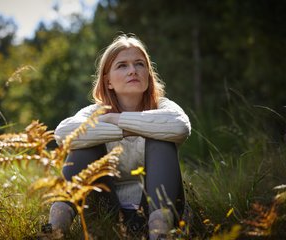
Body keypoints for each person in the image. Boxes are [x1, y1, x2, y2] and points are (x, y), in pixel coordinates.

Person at [46, 34, 191, 239]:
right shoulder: (95, 111)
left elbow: (180, 127)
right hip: (106, 214)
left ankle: (161, 233)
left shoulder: (163, 107)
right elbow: (63, 134)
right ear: (109, 81)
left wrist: (118, 120)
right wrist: (124, 127)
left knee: (161, 139)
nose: (133, 70)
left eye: (139, 64)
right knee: (84, 143)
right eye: (122, 66)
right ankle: (54, 230)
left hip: (155, 210)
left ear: (148, 75)